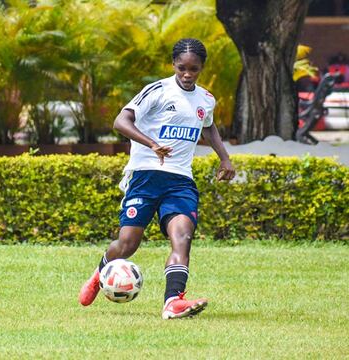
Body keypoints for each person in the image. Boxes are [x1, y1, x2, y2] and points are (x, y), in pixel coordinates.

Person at [79, 38, 235, 319]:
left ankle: (172, 301)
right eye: (182, 68)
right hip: (145, 176)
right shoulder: (158, 91)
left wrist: (224, 158)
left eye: (194, 69)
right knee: (127, 244)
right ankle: (102, 270)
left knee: (183, 236)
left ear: (202, 68)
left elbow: (209, 129)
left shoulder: (206, 99)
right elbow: (121, 121)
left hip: (180, 180)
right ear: (173, 65)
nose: (187, 74)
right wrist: (151, 143)